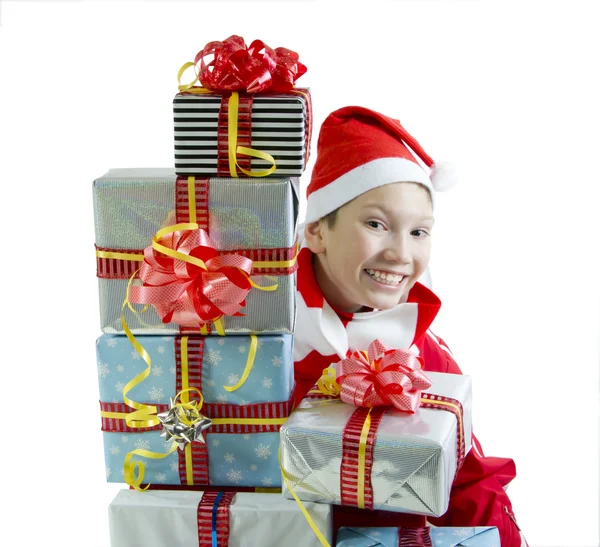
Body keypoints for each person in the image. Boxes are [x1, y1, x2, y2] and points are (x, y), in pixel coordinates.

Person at [293, 105, 527, 546]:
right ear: (317, 231)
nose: (401, 254)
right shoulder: (259, 344)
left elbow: (468, 481)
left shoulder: (423, 354)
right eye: (377, 224)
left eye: (419, 232)